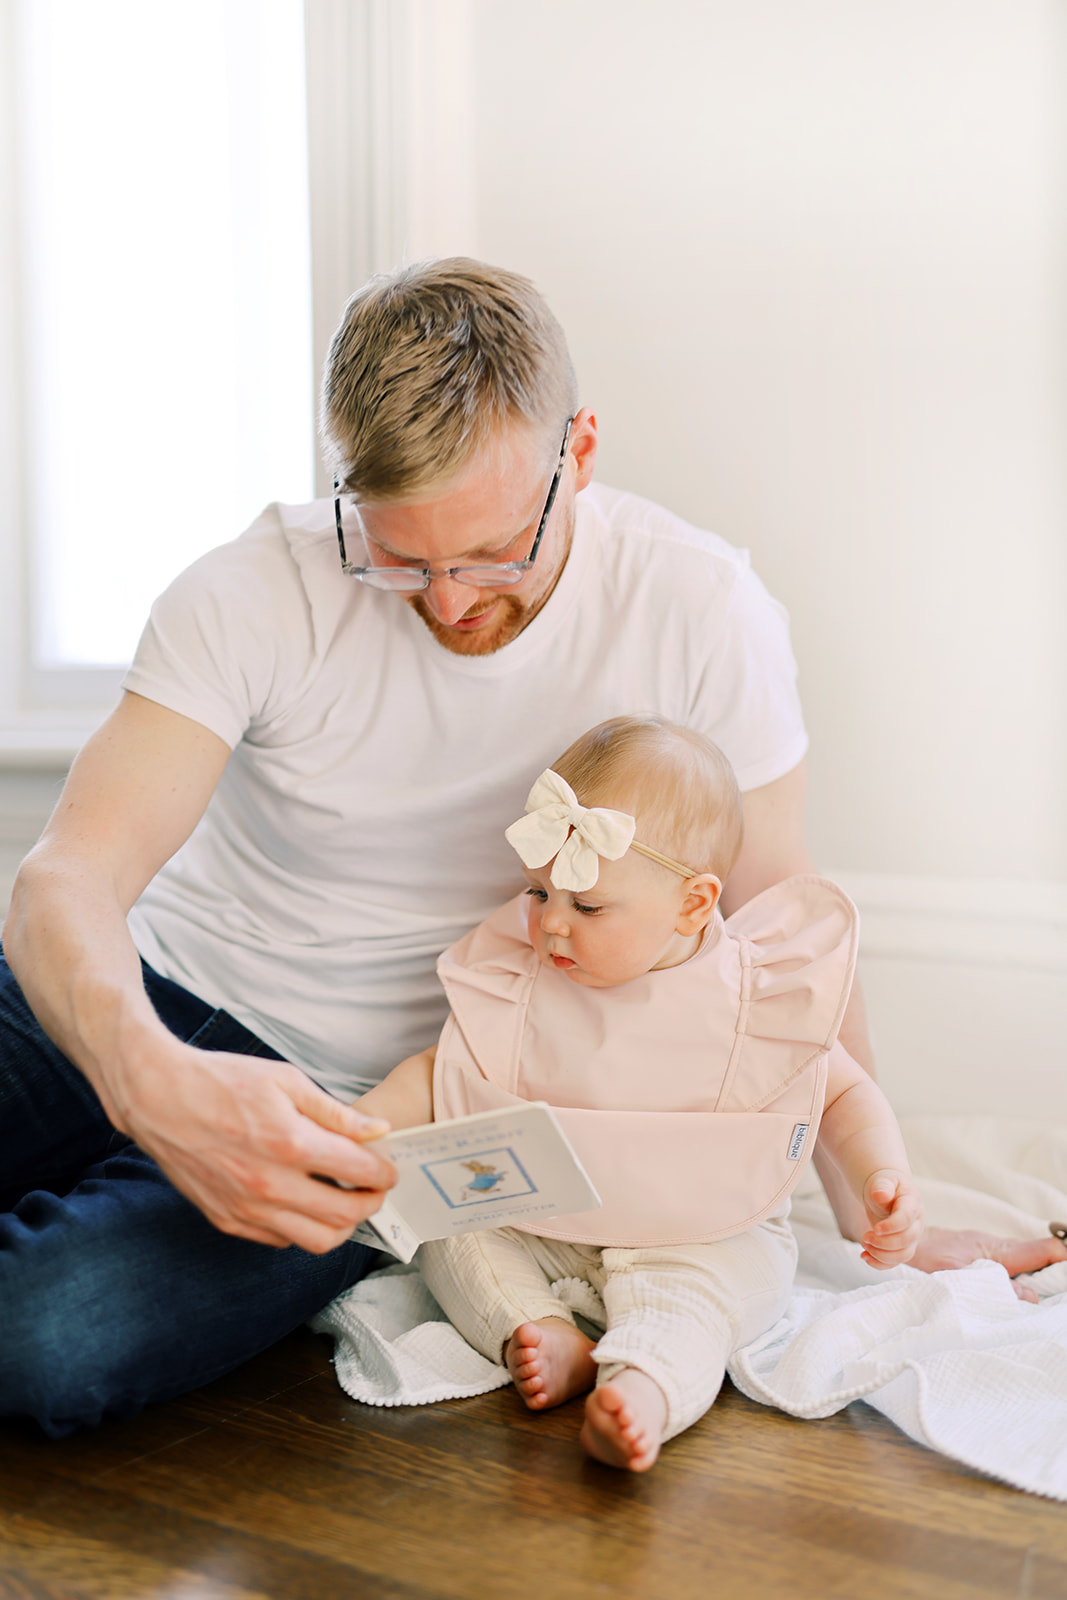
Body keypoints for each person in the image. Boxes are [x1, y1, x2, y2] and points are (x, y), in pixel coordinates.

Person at [1, 259, 1061, 1437]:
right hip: (152, 989)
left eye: (496, 552)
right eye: (397, 555)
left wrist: (871, 1214)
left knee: (42, 1340)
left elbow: (780, 930)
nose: (450, 602)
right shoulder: (251, 591)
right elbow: (68, 875)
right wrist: (148, 1075)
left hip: (366, 1108)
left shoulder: (700, 610)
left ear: (582, 451)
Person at [353, 715, 924, 1471]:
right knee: (449, 1230)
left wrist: (880, 1176)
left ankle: (645, 1385)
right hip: (544, 1218)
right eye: (537, 892)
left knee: (700, 1303)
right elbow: (439, 1076)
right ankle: (542, 1330)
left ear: (692, 905)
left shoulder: (753, 996)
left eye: (586, 907)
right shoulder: (529, 974)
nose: (551, 924)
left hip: (702, 1229)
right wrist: (361, 1124)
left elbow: (841, 1095)